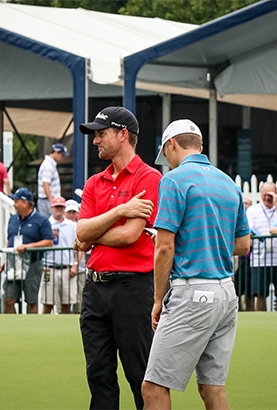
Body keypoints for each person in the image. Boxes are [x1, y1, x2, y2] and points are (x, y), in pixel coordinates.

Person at [141, 119, 250, 409]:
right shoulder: (228, 182)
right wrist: (205, 239)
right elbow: (243, 244)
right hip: (226, 294)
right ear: (200, 146)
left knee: (153, 387)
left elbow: (164, 247)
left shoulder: (173, 180)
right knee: (212, 387)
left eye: (166, 156)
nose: (168, 163)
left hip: (193, 293)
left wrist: (157, 300)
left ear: (171, 145)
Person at [75, 106, 161, 409]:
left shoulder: (149, 177)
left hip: (133, 288)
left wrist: (92, 234)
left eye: (101, 133)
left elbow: (129, 236)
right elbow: (81, 229)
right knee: (98, 375)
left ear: (123, 135)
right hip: (95, 289)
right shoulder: (94, 182)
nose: (96, 140)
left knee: (141, 375)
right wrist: (120, 212)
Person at [4, 187, 53, 314]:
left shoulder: (42, 220)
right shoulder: (12, 219)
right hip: (13, 263)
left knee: (31, 300)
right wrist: (6, 260)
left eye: (16, 201)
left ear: (25, 203)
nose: (14, 204)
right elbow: (9, 240)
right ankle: (12, 328)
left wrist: (28, 246)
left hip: (33, 263)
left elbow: (49, 241)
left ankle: (29, 327)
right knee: (9, 299)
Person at [246, 182, 277, 311]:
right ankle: (261, 317)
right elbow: (249, 228)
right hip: (259, 259)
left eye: (270, 194)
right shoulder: (253, 210)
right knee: (260, 294)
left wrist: (276, 205)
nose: (267, 197)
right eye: (265, 194)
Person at [41, 197, 78, 314]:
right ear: (51, 208)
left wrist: (75, 264)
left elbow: (78, 246)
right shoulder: (45, 224)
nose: (59, 209)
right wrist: (47, 235)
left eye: (61, 207)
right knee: (48, 304)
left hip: (67, 267)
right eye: (57, 207)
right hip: (49, 267)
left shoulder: (72, 225)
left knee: (66, 304)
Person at [37, 143, 69, 218]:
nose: (62, 157)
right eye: (62, 155)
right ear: (56, 152)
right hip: (47, 200)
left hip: (48, 200)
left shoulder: (49, 164)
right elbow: (45, 184)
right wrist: (51, 201)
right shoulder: (48, 166)